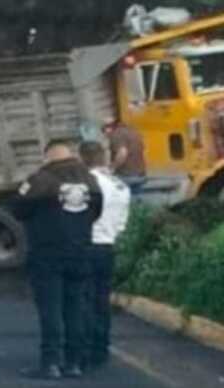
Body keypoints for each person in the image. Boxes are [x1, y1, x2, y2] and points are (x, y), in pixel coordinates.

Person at [11, 140, 103, 381]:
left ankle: (50, 363)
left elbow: (17, 209)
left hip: (48, 254)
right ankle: (74, 363)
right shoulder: (90, 180)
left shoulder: (40, 179)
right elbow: (97, 211)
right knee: (75, 309)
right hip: (81, 252)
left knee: (50, 310)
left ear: (48, 157)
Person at [79, 141, 130, 371]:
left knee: (84, 300)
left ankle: (87, 351)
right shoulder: (120, 185)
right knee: (101, 300)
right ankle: (101, 348)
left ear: (82, 159)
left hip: (87, 247)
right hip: (108, 247)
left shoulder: (86, 183)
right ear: (104, 157)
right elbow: (121, 224)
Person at [104, 121, 146, 194]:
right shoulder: (134, 133)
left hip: (125, 176)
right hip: (140, 174)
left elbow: (122, 153)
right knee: (136, 201)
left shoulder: (117, 134)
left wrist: (112, 168)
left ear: (109, 129)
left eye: (104, 132)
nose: (106, 136)